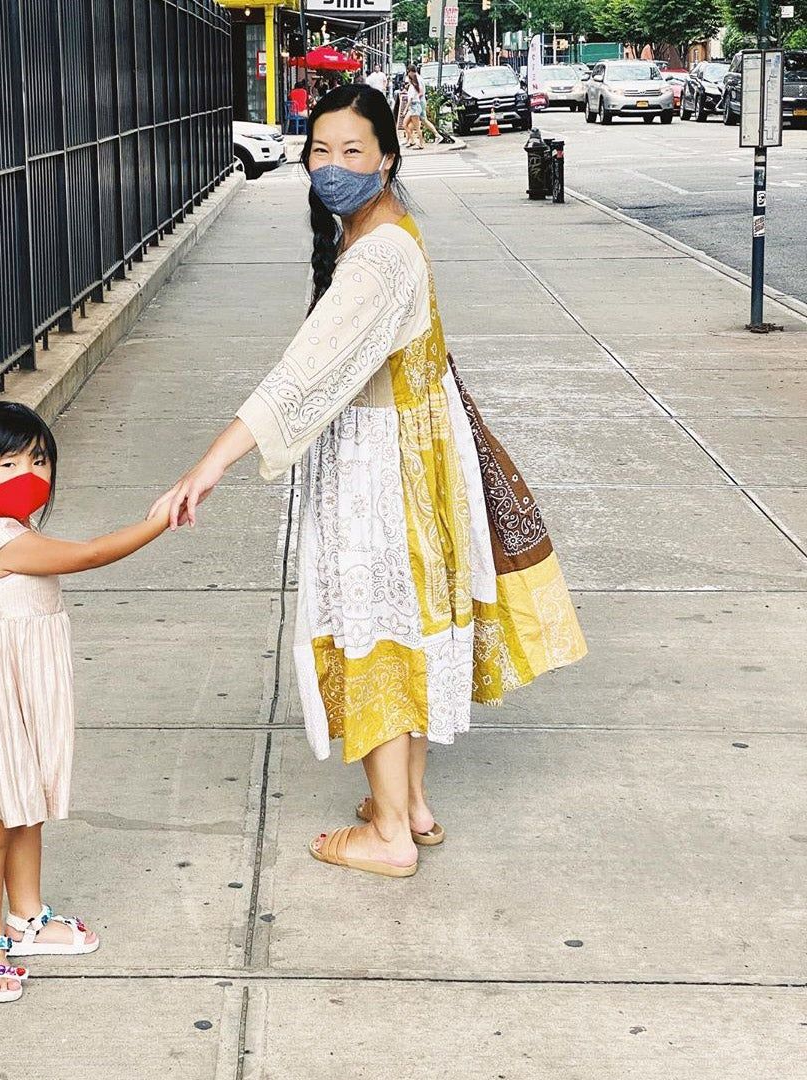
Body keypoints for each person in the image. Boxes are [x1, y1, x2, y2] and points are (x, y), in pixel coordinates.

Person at [150, 86, 587, 880]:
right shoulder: (386, 231)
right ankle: (410, 804)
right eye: (320, 151)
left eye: (353, 151)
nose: (332, 167)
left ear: (387, 156)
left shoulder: (377, 260)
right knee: (406, 623)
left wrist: (207, 465)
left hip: (379, 475)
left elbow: (301, 377)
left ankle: (386, 833)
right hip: (417, 462)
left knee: (373, 628)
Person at [0, 401, 169, 1002]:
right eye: (10, 462)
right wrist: (160, 520)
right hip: (2, 702)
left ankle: (28, 916)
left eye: (39, 460)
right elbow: (93, 553)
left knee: (29, 804)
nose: (30, 474)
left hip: (30, 694)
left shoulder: (16, 534)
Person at [403, 64, 426, 148]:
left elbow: (410, 99)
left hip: (414, 107)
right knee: (405, 124)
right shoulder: (412, 86)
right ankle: (412, 140)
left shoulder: (413, 86)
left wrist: (405, 109)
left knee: (417, 127)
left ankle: (421, 143)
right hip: (413, 107)